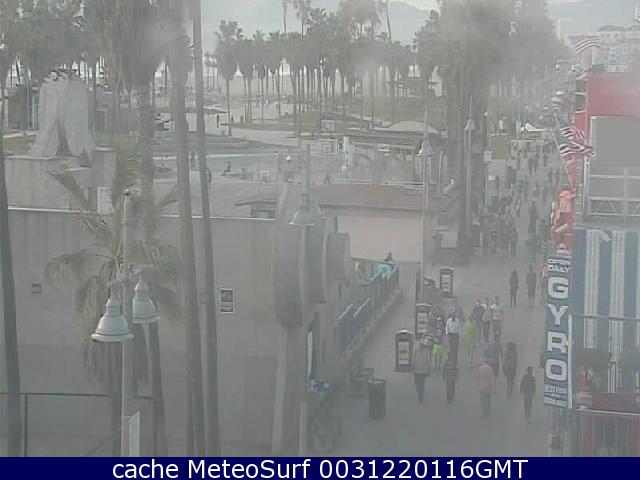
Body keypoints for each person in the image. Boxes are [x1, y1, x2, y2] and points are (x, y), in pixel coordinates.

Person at [413, 335, 430, 403]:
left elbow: (428, 361)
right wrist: (412, 368)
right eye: (420, 346)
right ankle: (419, 390)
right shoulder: (416, 352)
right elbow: (413, 360)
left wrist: (428, 370)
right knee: (417, 384)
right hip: (416, 371)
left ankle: (421, 396)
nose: (421, 347)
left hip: (423, 371)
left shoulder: (426, 352)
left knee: (422, 385)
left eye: (422, 346)